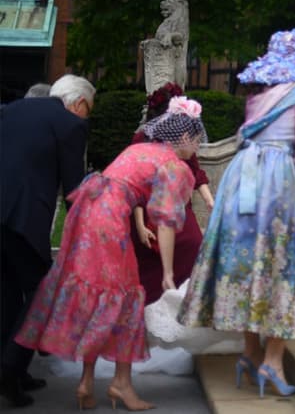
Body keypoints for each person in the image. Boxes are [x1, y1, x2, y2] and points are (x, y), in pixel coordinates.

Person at [175, 29, 295, 397]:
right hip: (278, 185)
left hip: (241, 183)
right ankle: (272, 360)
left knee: (248, 263)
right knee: (280, 266)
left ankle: (250, 354)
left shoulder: (258, 99)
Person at [14, 96, 206, 411]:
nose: (197, 147)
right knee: (127, 301)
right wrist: (169, 272)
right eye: (196, 139)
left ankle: (87, 383)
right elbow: (167, 223)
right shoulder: (174, 166)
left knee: (99, 299)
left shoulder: (138, 149)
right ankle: (121, 385)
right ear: (183, 137)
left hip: (86, 213)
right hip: (107, 222)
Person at [0, 74, 94, 408]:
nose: (86, 118)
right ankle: (9, 367)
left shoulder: (10, 111)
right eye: (88, 111)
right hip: (23, 217)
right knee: (43, 292)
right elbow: (74, 190)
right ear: (79, 103)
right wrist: (88, 232)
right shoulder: (70, 123)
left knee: (9, 292)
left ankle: (16, 372)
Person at [131, 83, 214, 305]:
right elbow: (137, 187)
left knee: (193, 244)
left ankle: (184, 300)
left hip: (174, 208)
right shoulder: (143, 140)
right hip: (144, 205)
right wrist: (140, 223)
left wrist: (209, 199)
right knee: (149, 258)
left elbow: (196, 172)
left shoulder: (184, 148)